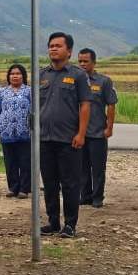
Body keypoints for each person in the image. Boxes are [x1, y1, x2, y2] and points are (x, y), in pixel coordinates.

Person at [37, 32, 91, 238]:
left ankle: (70, 225)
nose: (53, 49)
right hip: (45, 138)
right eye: (51, 45)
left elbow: (85, 105)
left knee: (70, 184)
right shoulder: (42, 75)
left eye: (58, 46)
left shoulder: (78, 75)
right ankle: (53, 222)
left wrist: (81, 133)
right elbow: (36, 106)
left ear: (69, 51)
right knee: (49, 184)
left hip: (69, 139)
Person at [78, 48, 117, 208]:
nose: (82, 64)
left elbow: (111, 105)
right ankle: (85, 196)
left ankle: (97, 197)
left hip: (97, 132)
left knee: (98, 168)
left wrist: (109, 127)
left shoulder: (104, 81)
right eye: (80, 61)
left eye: (85, 61)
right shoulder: (75, 80)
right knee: (82, 167)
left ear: (94, 62)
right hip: (80, 133)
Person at [0, 64, 31, 199]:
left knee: (25, 162)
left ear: (23, 76)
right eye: (12, 74)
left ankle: (24, 189)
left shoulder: (29, 92)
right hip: (6, 132)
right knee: (10, 162)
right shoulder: (2, 92)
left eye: (18, 74)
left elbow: (35, 111)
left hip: (25, 132)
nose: (15, 76)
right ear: (8, 76)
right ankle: (13, 188)